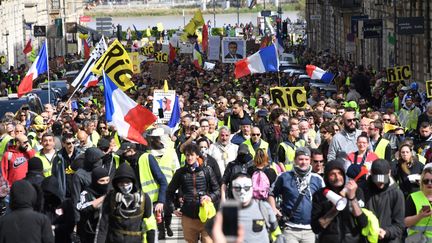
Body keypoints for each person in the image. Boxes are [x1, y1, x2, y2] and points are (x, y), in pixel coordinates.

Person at [166, 143, 220, 243]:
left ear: (197, 155)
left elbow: (217, 190)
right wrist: (172, 209)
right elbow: (169, 192)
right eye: (187, 155)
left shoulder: (207, 170)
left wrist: (210, 197)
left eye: (192, 155)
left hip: (206, 215)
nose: (189, 157)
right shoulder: (180, 173)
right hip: (188, 215)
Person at [269, 147, 325, 243]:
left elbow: (324, 200)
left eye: (306, 159)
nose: (304, 162)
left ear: (310, 161)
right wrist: (273, 209)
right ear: (295, 160)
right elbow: (271, 193)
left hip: (310, 230)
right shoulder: (284, 176)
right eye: (301, 159)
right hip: (290, 228)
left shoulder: (317, 179)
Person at [95, 163, 155, 243]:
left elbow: (150, 224)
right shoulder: (110, 198)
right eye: (121, 183)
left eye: (127, 182)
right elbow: (102, 225)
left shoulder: (144, 199)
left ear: (133, 182)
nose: (125, 185)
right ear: (116, 184)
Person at [311, 159, 368, 243]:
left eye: (340, 173)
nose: (337, 177)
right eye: (332, 174)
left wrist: (352, 198)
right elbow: (316, 228)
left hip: (353, 240)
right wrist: (335, 209)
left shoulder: (356, 191)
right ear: (326, 177)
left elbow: (363, 223)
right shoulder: (320, 195)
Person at [360, 159, 405, 243]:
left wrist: (386, 232)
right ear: (371, 173)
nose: (380, 184)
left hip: (389, 240)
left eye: (383, 180)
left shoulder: (397, 194)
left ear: (389, 173)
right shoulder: (362, 189)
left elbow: (400, 225)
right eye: (377, 180)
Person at [231, 173, 281, 243]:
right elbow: (211, 231)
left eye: (246, 187)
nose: (242, 191)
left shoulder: (264, 207)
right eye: (237, 188)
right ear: (232, 189)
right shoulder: (226, 212)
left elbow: (276, 231)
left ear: (252, 188)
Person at [76, 167, 110, 243]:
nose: (105, 183)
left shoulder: (110, 192)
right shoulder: (86, 193)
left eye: (107, 180)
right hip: (89, 234)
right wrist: (103, 198)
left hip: (106, 232)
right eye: (102, 181)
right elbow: (81, 207)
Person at [404, 166, 432, 241]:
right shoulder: (413, 198)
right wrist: (419, 216)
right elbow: (405, 222)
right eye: (426, 181)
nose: (429, 183)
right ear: (421, 182)